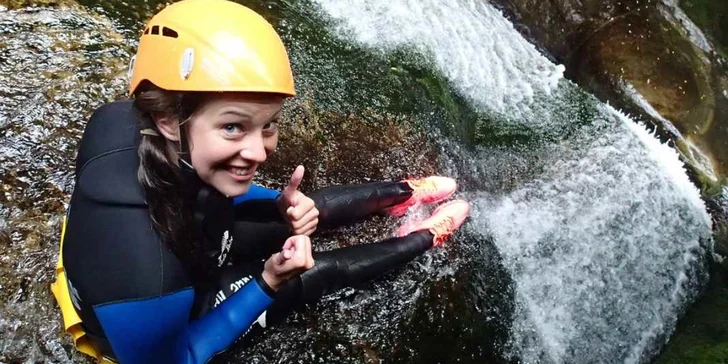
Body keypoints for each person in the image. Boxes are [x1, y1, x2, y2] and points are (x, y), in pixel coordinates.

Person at [49, 0, 471, 363]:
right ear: (169, 120)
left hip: (185, 231)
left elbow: (190, 185)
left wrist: (278, 203)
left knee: (301, 210)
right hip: (153, 317)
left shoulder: (124, 120)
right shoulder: (147, 276)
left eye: (268, 125)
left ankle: (404, 192)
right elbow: (179, 356)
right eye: (233, 127)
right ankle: (422, 237)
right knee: (312, 274)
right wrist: (268, 281)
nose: (258, 151)